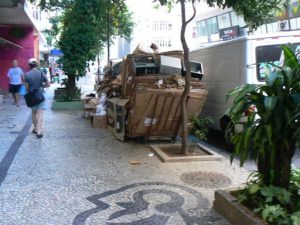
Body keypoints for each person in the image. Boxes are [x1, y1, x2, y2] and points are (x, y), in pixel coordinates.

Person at [25, 58, 50, 138]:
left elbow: (27, 88)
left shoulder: (27, 74)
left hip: (31, 96)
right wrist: (42, 86)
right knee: (40, 113)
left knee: (33, 112)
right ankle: (39, 131)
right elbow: (48, 84)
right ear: (36, 64)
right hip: (39, 94)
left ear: (30, 65)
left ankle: (35, 128)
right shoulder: (41, 73)